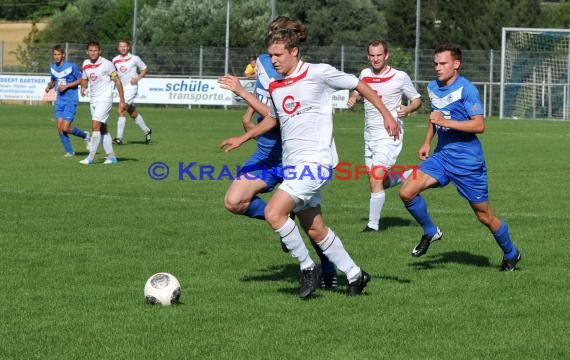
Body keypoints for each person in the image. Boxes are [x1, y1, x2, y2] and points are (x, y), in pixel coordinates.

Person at [221, 16, 400, 298]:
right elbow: (273, 119)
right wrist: (243, 137)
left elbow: (360, 84)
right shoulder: (278, 86)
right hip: (293, 164)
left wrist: (387, 115)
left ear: (294, 51)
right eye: (270, 56)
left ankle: (307, 267)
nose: (274, 61)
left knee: (273, 212)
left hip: (316, 162)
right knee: (316, 230)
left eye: (278, 55)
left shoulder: (319, 73)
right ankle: (356, 275)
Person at [219, 53, 338, 290]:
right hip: (266, 154)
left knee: (312, 224)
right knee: (234, 201)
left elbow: (278, 115)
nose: (273, 56)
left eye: (278, 50)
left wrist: (242, 93)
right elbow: (263, 94)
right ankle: (285, 218)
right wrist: (248, 114)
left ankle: (327, 266)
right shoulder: (262, 63)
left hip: (295, 155)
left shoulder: (295, 73)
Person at [398, 42, 522, 271]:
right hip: (442, 157)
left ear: (456, 64)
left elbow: (479, 125)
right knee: (406, 192)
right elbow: (435, 116)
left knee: (484, 216)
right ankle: (430, 231)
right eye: (435, 63)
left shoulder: (467, 89)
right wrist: (427, 141)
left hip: (468, 163)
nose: (437, 67)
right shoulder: (433, 87)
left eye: (443, 63)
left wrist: (447, 122)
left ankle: (511, 253)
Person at [347, 40, 422, 232]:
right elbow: (358, 91)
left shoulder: (399, 76)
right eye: (372, 55)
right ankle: (406, 175)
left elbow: (417, 99)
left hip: (390, 133)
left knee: (375, 178)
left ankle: (373, 226)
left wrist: (408, 108)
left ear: (386, 55)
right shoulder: (365, 74)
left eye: (379, 55)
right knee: (378, 181)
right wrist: (353, 98)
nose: (375, 59)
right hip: (369, 134)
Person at [79, 40, 125, 165]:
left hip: (105, 99)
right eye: (91, 50)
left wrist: (122, 101)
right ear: (87, 52)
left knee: (95, 126)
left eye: (95, 50)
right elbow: (84, 79)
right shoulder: (85, 63)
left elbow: (118, 81)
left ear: (99, 51)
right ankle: (112, 157)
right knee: (102, 129)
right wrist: (83, 87)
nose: (93, 53)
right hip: (93, 100)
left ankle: (90, 158)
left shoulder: (107, 64)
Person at [45, 44, 89, 157]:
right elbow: (54, 80)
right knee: (59, 127)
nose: (56, 56)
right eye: (54, 54)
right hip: (60, 100)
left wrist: (67, 86)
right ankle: (70, 152)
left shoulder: (71, 66)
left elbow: (81, 79)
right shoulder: (53, 67)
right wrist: (49, 86)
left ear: (63, 55)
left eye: (58, 54)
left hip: (71, 99)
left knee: (65, 127)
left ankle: (85, 136)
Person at [112, 40, 152, 145]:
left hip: (131, 87)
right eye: (121, 46)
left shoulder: (134, 58)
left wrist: (138, 78)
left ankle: (118, 138)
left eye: (125, 46)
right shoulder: (115, 60)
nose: (123, 48)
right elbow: (113, 73)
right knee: (132, 112)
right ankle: (146, 130)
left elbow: (145, 69)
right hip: (121, 88)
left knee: (121, 108)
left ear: (128, 47)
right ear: (118, 48)